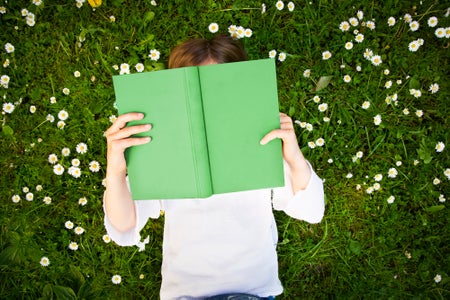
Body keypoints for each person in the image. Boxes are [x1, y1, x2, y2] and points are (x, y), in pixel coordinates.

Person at [103, 35, 325, 299]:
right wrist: (115, 171)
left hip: (253, 294)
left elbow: (312, 211)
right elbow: (124, 227)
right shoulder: (163, 152)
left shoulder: (262, 143)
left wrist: (294, 156)